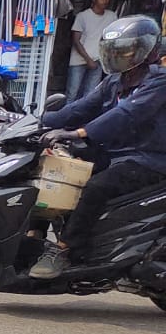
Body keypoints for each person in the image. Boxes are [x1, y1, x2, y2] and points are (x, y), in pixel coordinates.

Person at [33, 15, 166, 279]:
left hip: (148, 159)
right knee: (54, 170)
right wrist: (34, 123)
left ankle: (65, 249)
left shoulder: (159, 81)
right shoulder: (114, 82)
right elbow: (77, 109)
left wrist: (78, 133)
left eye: (126, 51)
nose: (120, 56)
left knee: (96, 187)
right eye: (116, 51)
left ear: (147, 51)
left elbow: (126, 114)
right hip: (114, 154)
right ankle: (34, 235)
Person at [69, 0, 117, 101]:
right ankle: (66, 117)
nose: (105, 0)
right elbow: (76, 40)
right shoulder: (83, 16)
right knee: (72, 93)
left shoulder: (112, 16)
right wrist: (88, 59)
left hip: (98, 60)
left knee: (90, 95)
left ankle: (84, 118)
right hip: (79, 61)